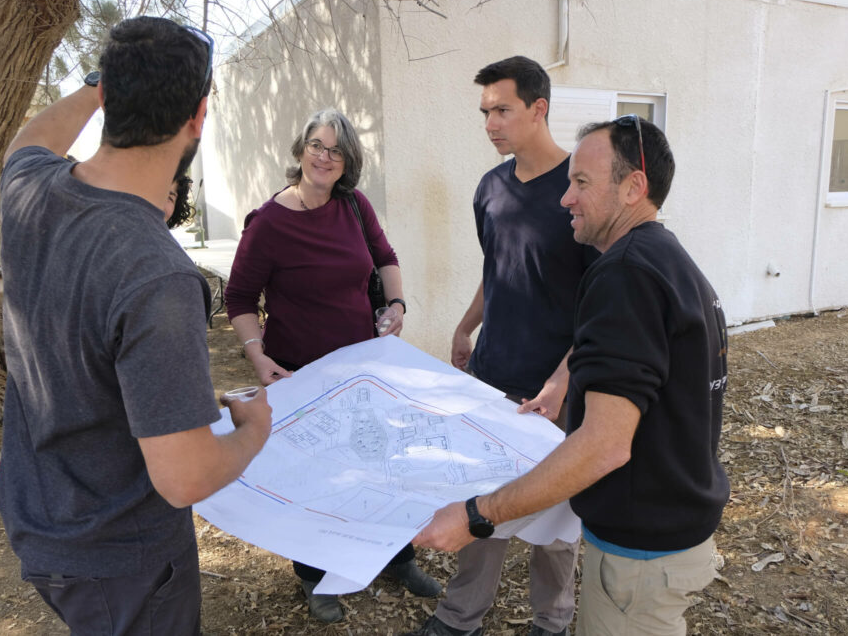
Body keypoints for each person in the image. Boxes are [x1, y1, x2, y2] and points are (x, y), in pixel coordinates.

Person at [0, 17, 273, 635]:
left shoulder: (28, 188)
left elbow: (31, 138)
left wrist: (98, 85)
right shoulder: (158, 274)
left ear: (108, 96)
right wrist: (254, 431)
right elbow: (185, 477)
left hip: (39, 519)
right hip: (122, 558)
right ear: (198, 115)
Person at [414, 116, 730, 636]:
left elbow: (605, 445)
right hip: (666, 538)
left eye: (581, 182)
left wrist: (478, 514)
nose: (565, 199)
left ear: (633, 187)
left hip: (641, 558)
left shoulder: (625, 274)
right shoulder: (667, 261)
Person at [223, 108, 441, 623]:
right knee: (315, 478)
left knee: (381, 467)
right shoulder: (268, 223)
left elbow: (386, 256)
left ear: (348, 162)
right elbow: (239, 298)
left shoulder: (354, 206)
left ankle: (397, 558)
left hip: (363, 368)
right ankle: (315, 576)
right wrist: (258, 356)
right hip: (301, 374)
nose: (324, 157)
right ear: (301, 150)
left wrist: (397, 305)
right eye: (317, 145)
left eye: (336, 150)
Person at [403, 56, 596, 636]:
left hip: (557, 387)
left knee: (555, 519)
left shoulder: (580, 191)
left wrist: (564, 377)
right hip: (492, 376)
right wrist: (465, 326)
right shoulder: (490, 188)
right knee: (478, 501)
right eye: (485, 112)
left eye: (502, 110)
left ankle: (552, 622)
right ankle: (460, 618)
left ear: (539, 109)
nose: (490, 124)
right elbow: (498, 270)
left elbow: (601, 302)